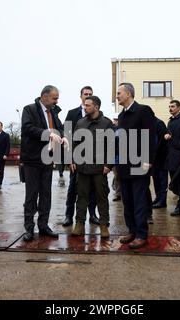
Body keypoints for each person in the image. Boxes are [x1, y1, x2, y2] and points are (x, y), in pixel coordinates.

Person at [20, 85, 68, 242]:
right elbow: (27, 128)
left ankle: (43, 226)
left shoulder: (53, 112)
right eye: (54, 98)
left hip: (48, 158)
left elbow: (59, 128)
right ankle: (29, 228)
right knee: (31, 195)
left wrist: (63, 136)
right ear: (44, 96)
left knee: (46, 194)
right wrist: (47, 134)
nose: (56, 101)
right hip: (32, 159)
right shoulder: (29, 109)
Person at [116, 83, 156, 249]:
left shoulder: (143, 111)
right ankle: (132, 230)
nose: (117, 96)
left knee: (139, 200)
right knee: (128, 201)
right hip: (124, 165)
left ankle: (141, 234)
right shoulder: (122, 115)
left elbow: (151, 137)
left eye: (119, 93)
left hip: (140, 163)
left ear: (129, 94)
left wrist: (148, 160)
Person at [71, 96, 113, 238]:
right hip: (82, 168)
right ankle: (80, 224)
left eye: (88, 105)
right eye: (84, 105)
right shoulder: (81, 122)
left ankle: (104, 225)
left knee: (102, 197)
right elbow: (75, 143)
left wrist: (109, 164)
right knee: (81, 197)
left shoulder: (106, 123)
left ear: (96, 107)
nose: (85, 107)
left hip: (100, 168)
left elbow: (112, 146)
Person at [62, 86, 99, 227]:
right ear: (81, 96)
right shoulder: (72, 113)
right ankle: (68, 216)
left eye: (90, 94)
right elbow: (67, 137)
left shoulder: (97, 114)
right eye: (85, 94)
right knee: (73, 189)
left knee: (93, 189)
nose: (87, 96)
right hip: (76, 159)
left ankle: (93, 215)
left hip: (93, 159)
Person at [152, 116, 170, 209]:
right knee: (156, 179)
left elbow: (161, 141)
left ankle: (162, 201)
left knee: (162, 180)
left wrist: (155, 153)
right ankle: (158, 198)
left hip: (161, 158)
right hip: (154, 159)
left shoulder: (159, 123)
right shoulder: (149, 124)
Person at [0, 121, 11, 190]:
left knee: (1, 170)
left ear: (1, 127)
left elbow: (8, 146)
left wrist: (6, 154)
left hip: (2, 156)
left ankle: (0, 183)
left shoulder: (6, 135)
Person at [111, 113, 122, 202]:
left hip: (123, 156)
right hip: (114, 156)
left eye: (117, 120)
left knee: (120, 175)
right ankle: (118, 193)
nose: (115, 121)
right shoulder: (112, 129)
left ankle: (119, 192)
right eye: (115, 119)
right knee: (117, 175)